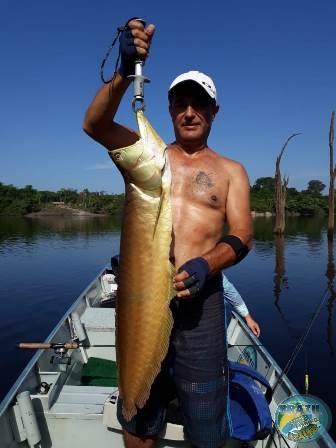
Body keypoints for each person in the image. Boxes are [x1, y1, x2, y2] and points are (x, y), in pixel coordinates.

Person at [83, 18, 253, 448]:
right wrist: (124, 71)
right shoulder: (150, 156)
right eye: (181, 103)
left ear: (214, 110)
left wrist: (206, 263)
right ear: (171, 108)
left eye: (199, 103)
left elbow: (243, 237)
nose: (189, 111)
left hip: (202, 307)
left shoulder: (232, 171)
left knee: (206, 420)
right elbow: (96, 124)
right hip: (141, 296)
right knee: (138, 413)